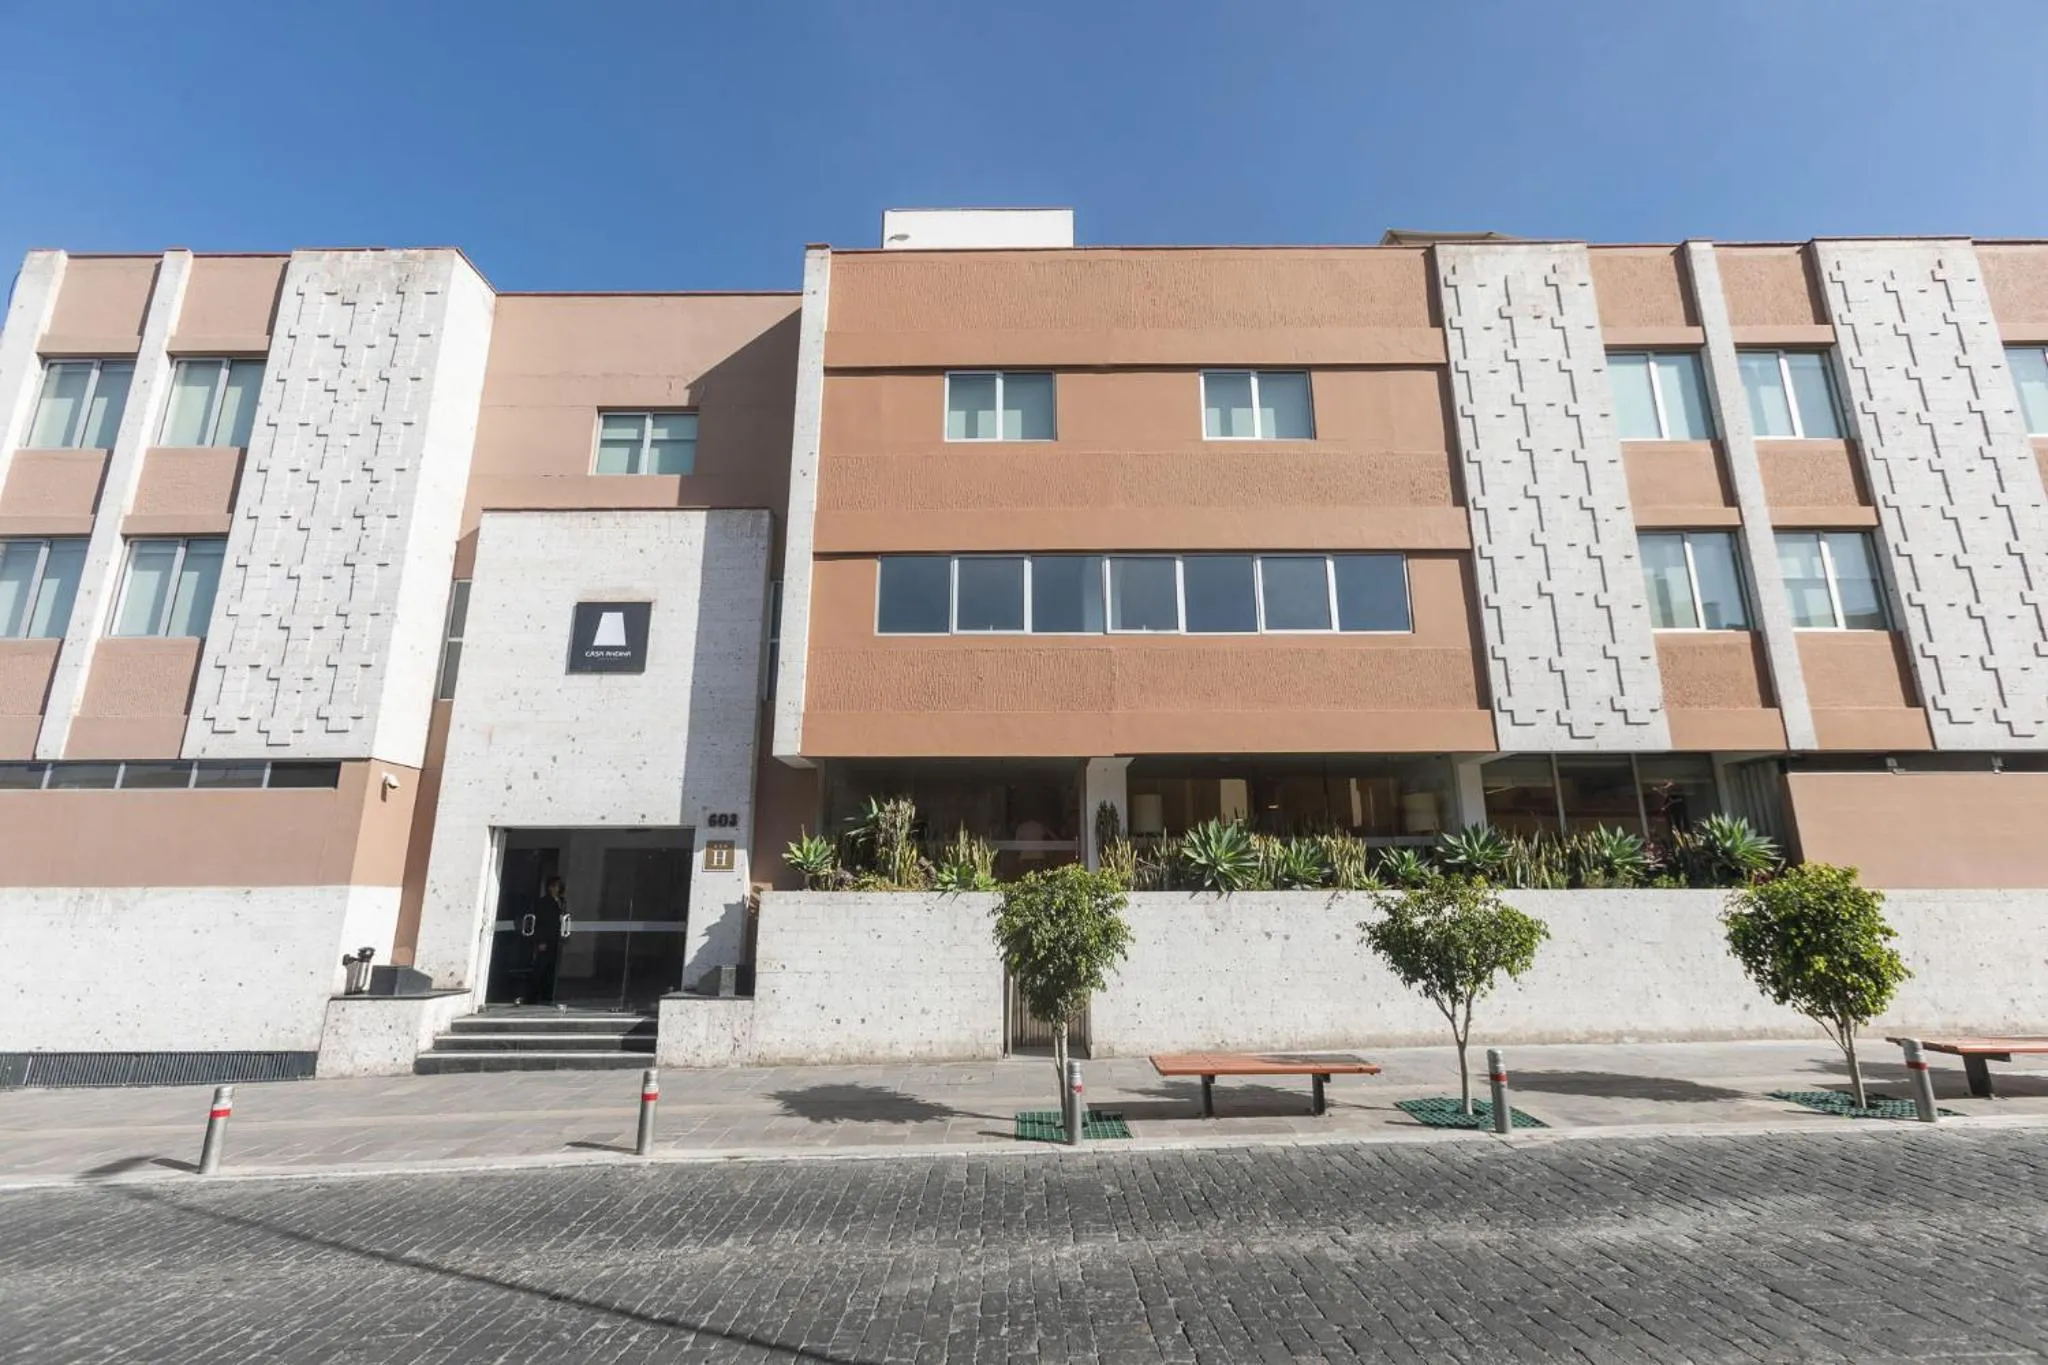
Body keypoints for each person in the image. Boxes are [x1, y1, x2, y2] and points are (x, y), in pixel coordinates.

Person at [526, 875, 570, 1006]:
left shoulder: (562, 901)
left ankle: (548, 995)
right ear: (550, 887)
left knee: (552, 968)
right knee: (540, 967)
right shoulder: (543, 902)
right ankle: (532, 996)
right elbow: (542, 923)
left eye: (560, 886)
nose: (558, 888)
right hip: (546, 939)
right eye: (556, 886)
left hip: (557, 938)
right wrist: (541, 941)